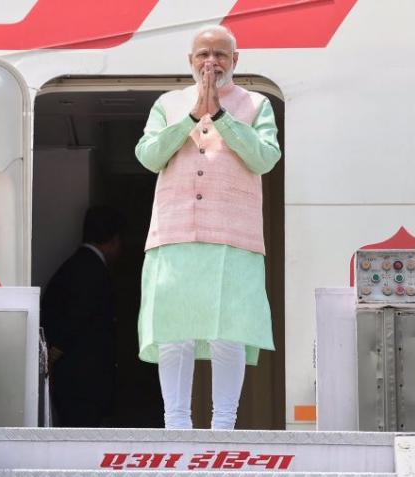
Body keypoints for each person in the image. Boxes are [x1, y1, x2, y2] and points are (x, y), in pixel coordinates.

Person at [135, 25, 281, 430]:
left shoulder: (256, 104)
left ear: (235, 60)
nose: (211, 62)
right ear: (190, 60)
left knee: (228, 332)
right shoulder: (168, 104)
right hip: (173, 234)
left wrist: (220, 116)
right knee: (173, 332)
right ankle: (176, 426)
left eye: (220, 54)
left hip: (234, 237)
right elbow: (148, 156)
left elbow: (265, 158)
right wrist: (191, 116)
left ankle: (224, 427)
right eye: (203, 54)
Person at [41, 205, 124, 427]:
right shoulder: (93, 271)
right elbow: (75, 320)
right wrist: (54, 353)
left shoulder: (74, 266)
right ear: (114, 240)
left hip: (72, 380)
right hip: (83, 382)